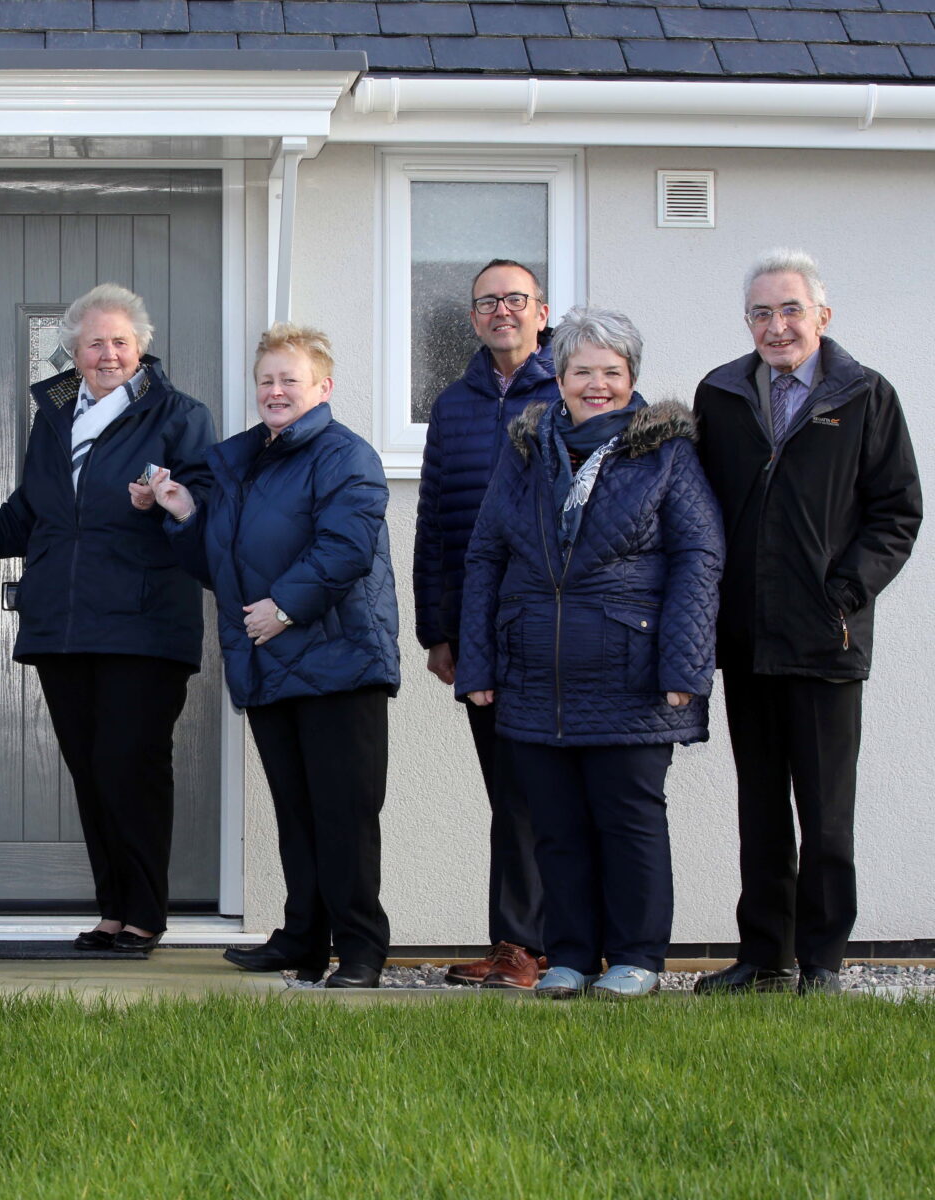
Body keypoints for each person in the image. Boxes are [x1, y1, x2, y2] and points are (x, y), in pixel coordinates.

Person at [0, 284, 216, 954]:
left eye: (121, 342)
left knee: (129, 765)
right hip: (63, 625)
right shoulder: (56, 417)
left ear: (141, 348)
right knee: (92, 768)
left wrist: (167, 502)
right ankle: (114, 910)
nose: (109, 354)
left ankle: (144, 914)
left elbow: (206, 511)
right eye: (95, 343)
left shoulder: (179, 416)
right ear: (73, 352)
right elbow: (30, 518)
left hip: (143, 625)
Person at [457, 307, 723, 999]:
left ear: (631, 377)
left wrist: (684, 667)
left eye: (612, 371)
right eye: (582, 371)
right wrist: (479, 663)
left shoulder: (667, 452)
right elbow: (485, 552)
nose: (596, 385)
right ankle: (570, 957)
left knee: (629, 820)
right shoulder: (525, 450)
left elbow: (700, 557)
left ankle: (637, 958)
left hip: (632, 676)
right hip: (534, 675)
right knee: (556, 827)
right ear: (561, 377)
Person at [139, 323, 399, 988]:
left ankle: (363, 950)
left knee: (345, 814)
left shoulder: (348, 457)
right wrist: (182, 513)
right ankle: (304, 940)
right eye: (267, 381)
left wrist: (283, 607)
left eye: (290, 379)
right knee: (297, 812)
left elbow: (345, 548)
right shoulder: (243, 464)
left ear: (323, 387)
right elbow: (219, 563)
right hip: (269, 662)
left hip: (339, 660)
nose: (275, 390)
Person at [691, 250, 920, 997]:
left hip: (827, 640)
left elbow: (897, 512)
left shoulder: (864, 397)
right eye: (761, 312)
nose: (776, 325)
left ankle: (822, 961)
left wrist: (844, 592)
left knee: (824, 816)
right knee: (759, 810)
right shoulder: (721, 395)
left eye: (790, 310)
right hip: (747, 640)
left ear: (822, 316)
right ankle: (765, 955)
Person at [413, 259, 557, 990]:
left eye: (515, 299)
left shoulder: (571, 389)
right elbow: (434, 520)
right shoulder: (455, 405)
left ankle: (563, 941)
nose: (502, 311)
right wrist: (438, 631)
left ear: (542, 309)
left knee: (555, 788)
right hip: (481, 632)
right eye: (487, 302)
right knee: (509, 790)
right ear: (473, 319)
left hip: (557, 625)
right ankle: (518, 945)